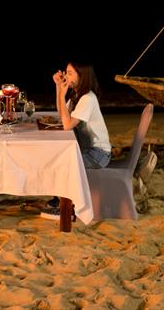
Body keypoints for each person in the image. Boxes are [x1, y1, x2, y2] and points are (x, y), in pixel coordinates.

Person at [42, 60, 112, 219]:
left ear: (82, 76)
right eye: (66, 72)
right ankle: (60, 200)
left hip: (98, 154)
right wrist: (58, 88)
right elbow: (62, 113)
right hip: (88, 150)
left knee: (64, 164)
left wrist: (62, 93)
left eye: (70, 73)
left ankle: (66, 210)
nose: (66, 76)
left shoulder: (88, 98)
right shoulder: (77, 95)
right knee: (58, 157)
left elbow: (67, 125)